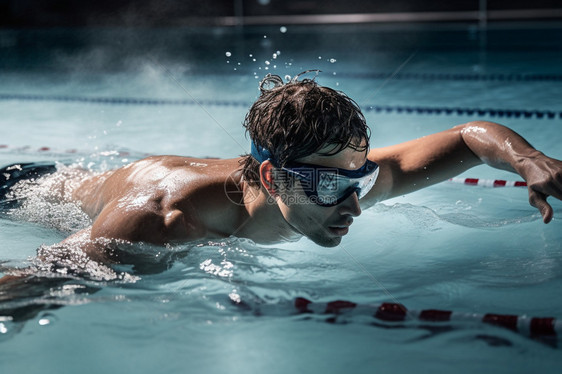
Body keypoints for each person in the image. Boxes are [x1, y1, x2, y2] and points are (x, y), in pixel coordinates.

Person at [2, 73, 562, 265]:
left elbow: (469, 136)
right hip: (29, 191)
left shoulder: (339, 179)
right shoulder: (159, 222)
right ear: (271, 178)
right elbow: (35, 279)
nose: (357, 204)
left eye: (361, 178)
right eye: (329, 186)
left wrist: (529, 161)